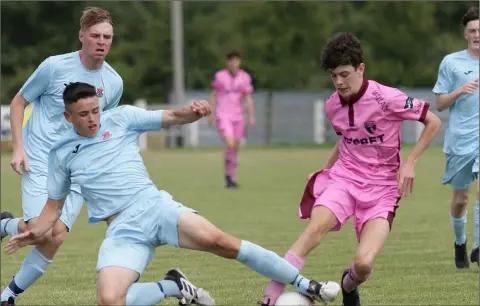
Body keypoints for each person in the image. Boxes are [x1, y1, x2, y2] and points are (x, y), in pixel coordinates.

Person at [4, 82, 341, 306]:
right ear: (68, 116)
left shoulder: (121, 119)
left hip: (154, 207)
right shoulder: (61, 154)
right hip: (122, 231)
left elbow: (170, 117)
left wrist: (191, 112)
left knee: (223, 242)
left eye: (95, 111)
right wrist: (32, 231)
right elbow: (53, 207)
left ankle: (304, 283)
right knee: (109, 300)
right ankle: (173, 287)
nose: (93, 118)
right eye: (83, 114)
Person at [260, 33, 442, 306]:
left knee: (364, 263)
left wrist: (410, 162)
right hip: (344, 179)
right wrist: (323, 170)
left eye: (344, 74)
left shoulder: (386, 97)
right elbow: (345, 138)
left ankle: (348, 284)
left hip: (382, 190)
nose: (339, 82)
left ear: (360, 68)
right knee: (313, 232)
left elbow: (433, 122)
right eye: (333, 76)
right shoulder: (332, 105)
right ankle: (269, 299)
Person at [0, 7, 123, 306]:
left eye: (107, 37)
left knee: (55, 236)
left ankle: (7, 296)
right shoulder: (54, 67)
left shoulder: (114, 83)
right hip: (39, 158)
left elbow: (101, 127)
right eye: (95, 35)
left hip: (76, 167)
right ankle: (4, 225)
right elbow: (19, 102)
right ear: (82, 36)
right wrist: (18, 147)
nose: (101, 42)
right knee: (37, 232)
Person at [432, 6, 479, 268]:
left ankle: (478, 247)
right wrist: (460, 90)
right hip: (461, 140)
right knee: (461, 199)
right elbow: (439, 104)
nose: (477, 35)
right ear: (465, 34)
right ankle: (460, 242)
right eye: (472, 30)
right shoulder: (451, 62)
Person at [208, 50, 256, 188]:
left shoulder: (245, 77)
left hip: (238, 116)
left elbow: (248, 98)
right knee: (230, 144)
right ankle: (229, 175)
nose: (233, 63)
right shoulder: (220, 76)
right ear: (227, 62)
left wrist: (251, 116)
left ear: (239, 62)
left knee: (235, 148)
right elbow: (213, 95)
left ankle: (231, 176)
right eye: (231, 60)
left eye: (236, 60)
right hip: (223, 115)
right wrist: (210, 114)